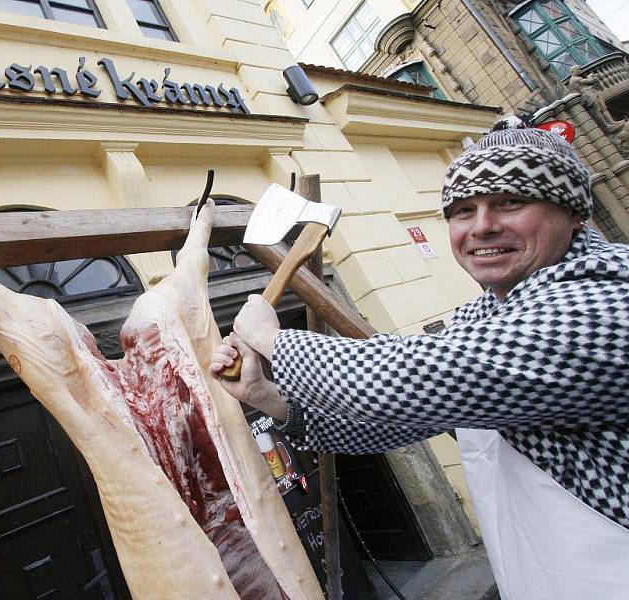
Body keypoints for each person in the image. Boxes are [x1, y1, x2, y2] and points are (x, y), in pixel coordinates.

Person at [209, 117, 629, 599]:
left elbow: (421, 376)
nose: (483, 226)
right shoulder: (484, 316)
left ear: (574, 214)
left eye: (511, 202)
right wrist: (269, 396)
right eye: (463, 210)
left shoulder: (606, 296)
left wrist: (275, 340)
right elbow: (393, 424)